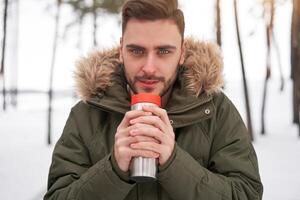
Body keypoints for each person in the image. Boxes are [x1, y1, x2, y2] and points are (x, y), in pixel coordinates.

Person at [44, 0, 263, 199]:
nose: (149, 68)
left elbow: (246, 194)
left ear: (182, 52)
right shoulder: (87, 115)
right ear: (121, 50)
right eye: (137, 50)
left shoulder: (215, 111)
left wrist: (174, 162)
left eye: (164, 51)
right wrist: (113, 169)